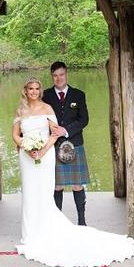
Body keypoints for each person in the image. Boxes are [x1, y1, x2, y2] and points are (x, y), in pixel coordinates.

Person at [12, 76, 134, 267]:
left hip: (44, 155)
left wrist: (43, 151)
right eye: (31, 89)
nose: (34, 92)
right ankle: (30, 233)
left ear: (40, 91)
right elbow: (15, 134)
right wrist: (26, 147)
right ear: (26, 91)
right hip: (26, 156)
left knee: (44, 192)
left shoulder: (47, 109)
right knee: (29, 193)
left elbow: (54, 133)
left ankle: (48, 228)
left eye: (37, 88)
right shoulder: (20, 110)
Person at [42, 61, 89, 225]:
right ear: (52, 76)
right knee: (57, 186)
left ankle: (82, 221)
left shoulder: (78, 95)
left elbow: (84, 120)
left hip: (74, 143)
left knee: (77, 184)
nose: (58, 78)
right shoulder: (45, 95)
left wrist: (65, 130)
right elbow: (39, 118)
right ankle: (57, 222)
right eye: (55, 75)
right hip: (53, 145)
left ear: (66, 74)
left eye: (61, 74)